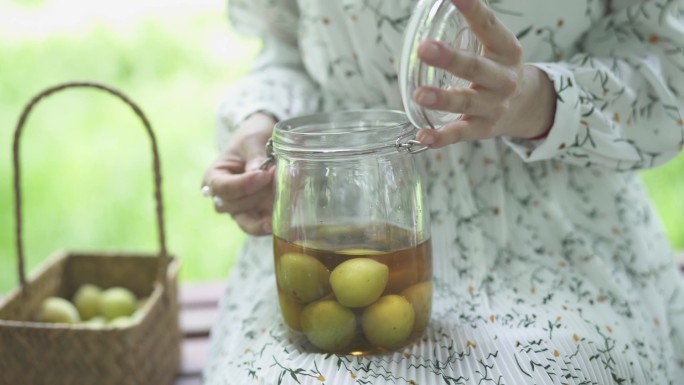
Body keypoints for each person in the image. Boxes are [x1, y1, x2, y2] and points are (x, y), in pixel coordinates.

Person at [201, 0, 684, 383]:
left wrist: (534, 101)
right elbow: (286, 51)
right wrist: (262, 128)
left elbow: (666, 69)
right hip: (337, 214)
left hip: (555, 221)